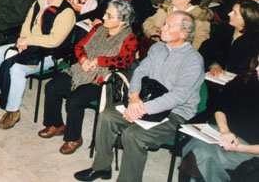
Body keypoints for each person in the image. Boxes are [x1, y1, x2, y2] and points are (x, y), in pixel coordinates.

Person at [74, 11, 204, 182]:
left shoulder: (193, 60)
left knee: (133, 135)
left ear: (183, 34)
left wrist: (140, 108)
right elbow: (140, 72)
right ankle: (101, 168)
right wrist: (134, 96)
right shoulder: (158, 47)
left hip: (175, 114)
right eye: (164, 23)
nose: (162, 28)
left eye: (168, 26)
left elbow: (177, 97)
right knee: (107, 116)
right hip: (144, 101)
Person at [0, 0, 75, 129]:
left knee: (17, 69)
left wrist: (28, 41)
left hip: (49, 54)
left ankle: (13, 111)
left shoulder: (66, 12)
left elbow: (55, 40)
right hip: (28, 44)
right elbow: (27, 23)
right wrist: (23, 40)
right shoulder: (39, 2)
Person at [40, 0, 138, 154]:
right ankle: (56, 124)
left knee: (74, 101)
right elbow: (80, 46)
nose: (104, 17)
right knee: (52, 87)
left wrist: (99, 61)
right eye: (106, 13)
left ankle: (74, 137)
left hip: (103, 79)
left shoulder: (129, 38)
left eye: (109, 16)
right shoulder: (98, 28)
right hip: (82, 69)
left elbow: (124, 61)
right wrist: (84, 60)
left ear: (122, 22)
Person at [179, 54, 259, 182]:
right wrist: (225, 130)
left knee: (199, 153)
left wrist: (238, 148)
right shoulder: (245, 79)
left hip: (250, 150)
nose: (257, 69)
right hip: (221, 134)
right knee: (198, 150)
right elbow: (219, 106)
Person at [143, 0, 211, 50]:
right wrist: (158, 33)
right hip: (153, 47)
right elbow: (147, 23)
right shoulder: (166, 8)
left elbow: (197, 45)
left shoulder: (200, 20)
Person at [200, 0, 259, 76]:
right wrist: (214, 64)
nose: (229, 14)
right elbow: (206, 49)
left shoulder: (255, 41)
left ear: (247, 18)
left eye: (235, 13)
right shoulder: (223, 29)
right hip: (213, 77)